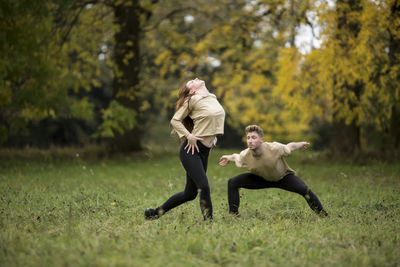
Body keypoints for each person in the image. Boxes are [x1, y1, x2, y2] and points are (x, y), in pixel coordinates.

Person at [145, 78, 225, 220]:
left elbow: (214, 119)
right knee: (204, 187)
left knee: (190, 194)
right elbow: (175, 120)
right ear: (192, 90)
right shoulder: (192, 100)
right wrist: (188, 135)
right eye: (191, 81)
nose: (195, 78)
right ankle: (209, 223)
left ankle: (154, 213)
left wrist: (214, 135)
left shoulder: (212, 97)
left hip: (204, 151)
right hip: (191, 150)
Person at [219, 125, 328, 217]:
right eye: (248, 138)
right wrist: (227, 158)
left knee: (305, 190)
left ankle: (323, 215)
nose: (250, 141)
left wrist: (301, 144)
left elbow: (290, 146)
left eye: (253, 137)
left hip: (283, 178)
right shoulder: (245, 155)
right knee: (232, 182)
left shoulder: (274, 148)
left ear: (261, 140)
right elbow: (236, 157)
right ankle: (233, 216)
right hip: (260, 179)